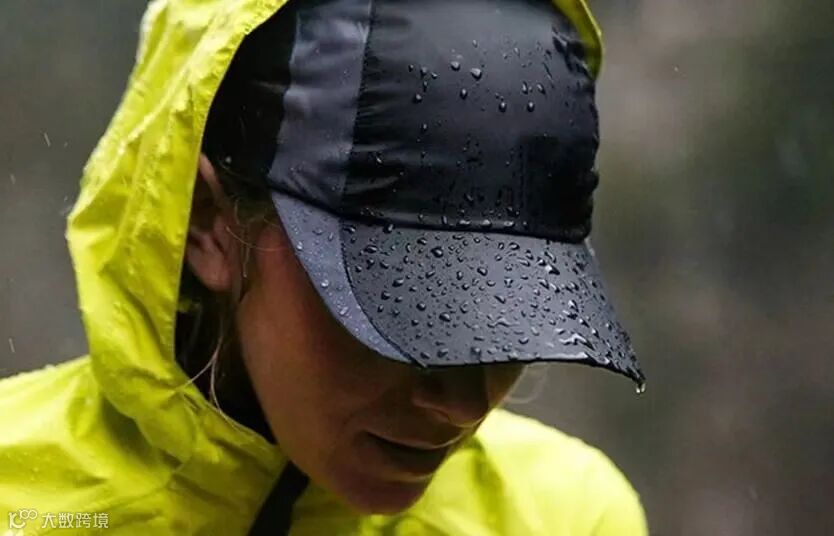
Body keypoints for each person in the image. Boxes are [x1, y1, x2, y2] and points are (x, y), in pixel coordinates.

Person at [0, 0, 648, 534]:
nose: (463, 403)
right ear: (206, 222)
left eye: (510, 313)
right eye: (401, 309)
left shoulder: (563, 518)